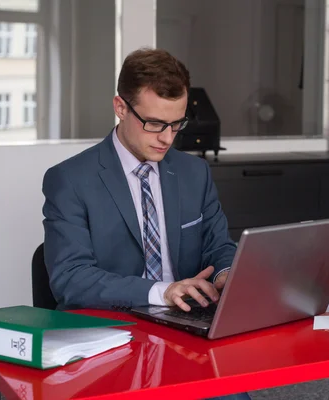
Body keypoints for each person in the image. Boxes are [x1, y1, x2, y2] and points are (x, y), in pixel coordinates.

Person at [42, 48, 250, 400]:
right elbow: (70, 279)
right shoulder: (70, 179)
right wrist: (161, 291)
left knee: (231, 394)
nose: (167, 138)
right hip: (110, 335)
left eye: (177, 124)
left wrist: (227, 275)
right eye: (154, 123)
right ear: (120, 108)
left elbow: (218, 245)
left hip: (186, 330)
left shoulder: (193, 173)